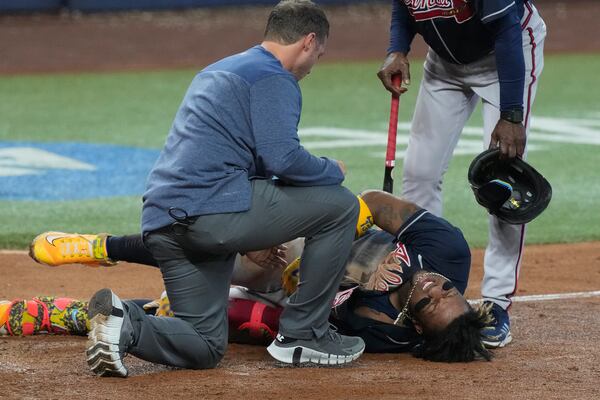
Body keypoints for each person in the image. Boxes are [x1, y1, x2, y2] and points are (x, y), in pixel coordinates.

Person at [81, 0, 366, 377]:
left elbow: (248, 162)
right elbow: (282, 159)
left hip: (164, 222)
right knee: (340, 205)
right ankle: (305, 334)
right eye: (320, 54)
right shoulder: (273, 77)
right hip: (211, 211)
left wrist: (249, 236)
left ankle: (125, 321)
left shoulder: (219, 70)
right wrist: (332, 169)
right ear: (309, 42)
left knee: (204, 344)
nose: (314, 65)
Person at [28, 189, 492, 362]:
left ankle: (100, 315)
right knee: (214, 243)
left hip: (296, 290)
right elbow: (377, 201)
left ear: (415, 327)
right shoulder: (447, 252)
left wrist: (336, 282)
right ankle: (96, 246)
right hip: (311, 238)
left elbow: (293, 323)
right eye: (448, 288)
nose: (434, 285)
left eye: (430, 301)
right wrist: (328, 259)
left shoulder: (377, 332)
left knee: (233, 320)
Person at [377, 0, 546, 348]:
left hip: (506, 56)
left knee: (503, 184)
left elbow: (507, 29)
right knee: (420, 172)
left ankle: (496, 303)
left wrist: (512, 114)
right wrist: (397, 48)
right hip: (444, 64)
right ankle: (418, 276)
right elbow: (404, 7)